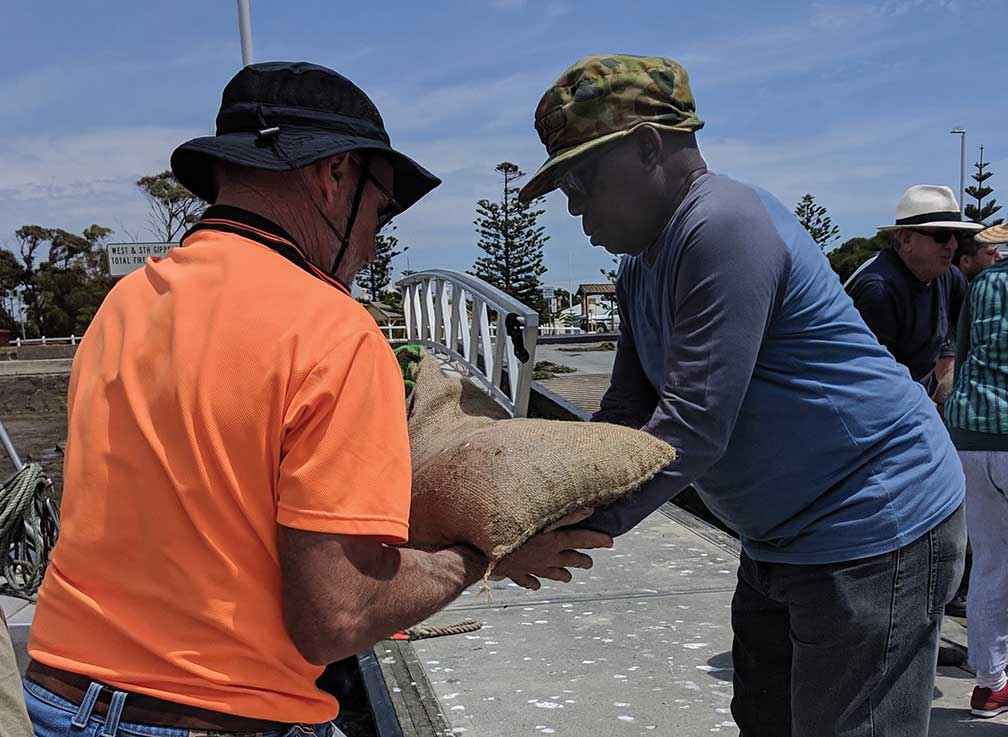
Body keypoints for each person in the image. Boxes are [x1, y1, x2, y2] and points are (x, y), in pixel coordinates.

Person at [23, 62, 610, 737]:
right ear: (334, 177)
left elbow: (209, 512)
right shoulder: (331, 331)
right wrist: (483, 557)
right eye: (382, 210)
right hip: (217, 717)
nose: (373, 241)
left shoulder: (125, 305)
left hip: (59, 696)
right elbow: (337, 616)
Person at [518, 54, 965, 736]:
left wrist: (583, 530)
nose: (574, 206)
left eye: (581, 179)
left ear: (647, 146)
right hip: (781, 538)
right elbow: (626, 415)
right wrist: (546, 499)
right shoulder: (642, 265)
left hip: (875, 524)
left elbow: (694, 424)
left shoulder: (721, 224)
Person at [946, 219, 1008, 718]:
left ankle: (989, 683)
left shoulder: (984, 283)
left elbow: (963, 354)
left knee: (990, 561)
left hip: (971, 432)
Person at [846, 185, 980, 400]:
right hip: (882, 400)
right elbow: (870, 378)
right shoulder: (878, 290)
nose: (953, 245)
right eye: (942, 236)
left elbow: (968, 329)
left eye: (957, 235)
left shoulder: (949, 277)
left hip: (917, 393)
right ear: (906, 239)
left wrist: (948, 355)